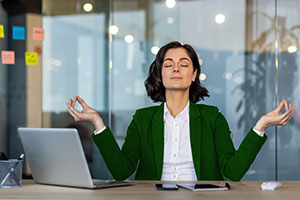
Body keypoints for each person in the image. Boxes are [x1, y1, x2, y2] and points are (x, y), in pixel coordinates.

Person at [67, 41, 295, 181]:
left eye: (184, 64)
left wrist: (260, 126)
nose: (176, 68)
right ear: (159, 73)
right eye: (168, 64)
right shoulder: (142, 119)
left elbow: (233, 172)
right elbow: (121, 171)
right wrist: (98, 122)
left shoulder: (212, 117)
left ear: (194, 74)